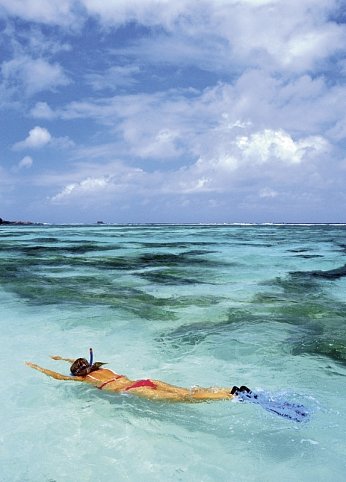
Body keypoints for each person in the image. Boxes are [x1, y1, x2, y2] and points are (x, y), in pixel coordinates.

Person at [26, 348, 250, 403]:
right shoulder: (100, 369)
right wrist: (62, 359)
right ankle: (231, 390)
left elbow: (57, 377)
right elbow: (78, 363)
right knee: (187, 392)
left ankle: (233, 397)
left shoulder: (84, 378)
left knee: (185, 399)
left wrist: (36, 367)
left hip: (133, 389)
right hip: (144, 381)